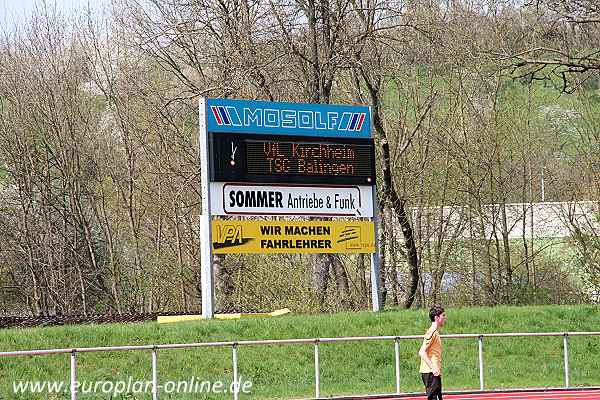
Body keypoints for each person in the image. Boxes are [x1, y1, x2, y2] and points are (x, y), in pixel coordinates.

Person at [418, 305, 446, 400]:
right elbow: (422, 352)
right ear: (437, 318)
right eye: (443, 315)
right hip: (430, 372)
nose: (445, 318)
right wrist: (433, 367)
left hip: (433, 372)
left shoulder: (435, 332)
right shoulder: (432, 332)